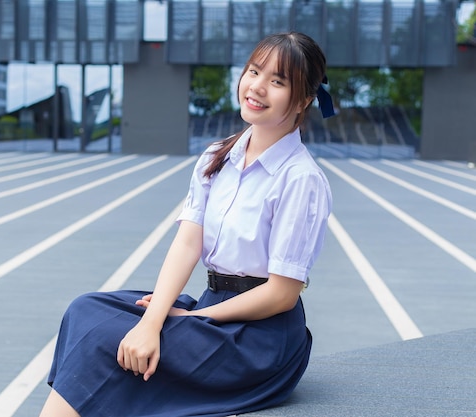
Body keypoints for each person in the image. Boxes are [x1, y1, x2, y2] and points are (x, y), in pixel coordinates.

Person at [39, 31, 334, 417]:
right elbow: (186, 245)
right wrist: (154, 319)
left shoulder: (301, 179)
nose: (257, 87)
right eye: (254, 71)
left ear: (304, 99)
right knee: (85, 310)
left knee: (102, 341)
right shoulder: (218, 156)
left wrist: (193, 318)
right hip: (211, 309)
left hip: (260, 338)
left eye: (277, 81)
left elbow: (281, 294)